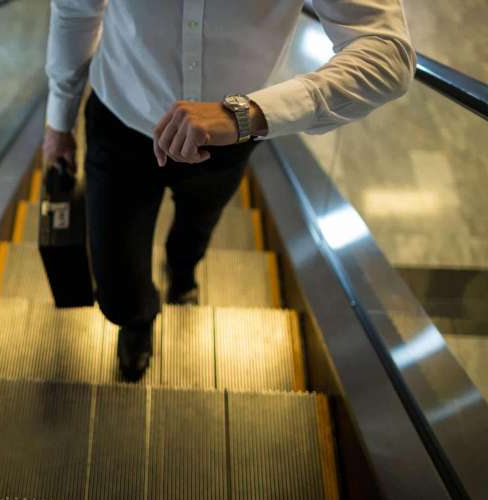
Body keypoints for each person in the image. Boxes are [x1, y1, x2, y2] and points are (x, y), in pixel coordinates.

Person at [43, 0, 415, 381]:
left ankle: (182, 272)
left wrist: (245, 114)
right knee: (115, 279)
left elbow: (389, 56)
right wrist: (59, 122)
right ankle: (135, 319)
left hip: (229, 137)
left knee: (199, 222)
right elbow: (76, 10)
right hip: (121, 119)